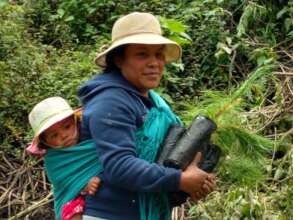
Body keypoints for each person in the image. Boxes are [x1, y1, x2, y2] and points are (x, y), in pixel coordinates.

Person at [78, 12, 216, 220]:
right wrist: (179, 179)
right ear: (118, 59)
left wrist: (194, 181)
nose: (155, 63)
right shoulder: (111, 101)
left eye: (159, 54)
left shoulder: (151, 101)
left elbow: (162, 158)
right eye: (142, 54)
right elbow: (120, 166)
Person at [26, 97, 102, 220]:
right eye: (54, 135)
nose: (63, 135)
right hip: (71, 199)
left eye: (67, 127)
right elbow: (63, 181)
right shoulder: (54, 160)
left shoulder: (93, 138)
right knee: (72, 213)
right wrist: (84, 185)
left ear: (76, 121)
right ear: (45, 142)